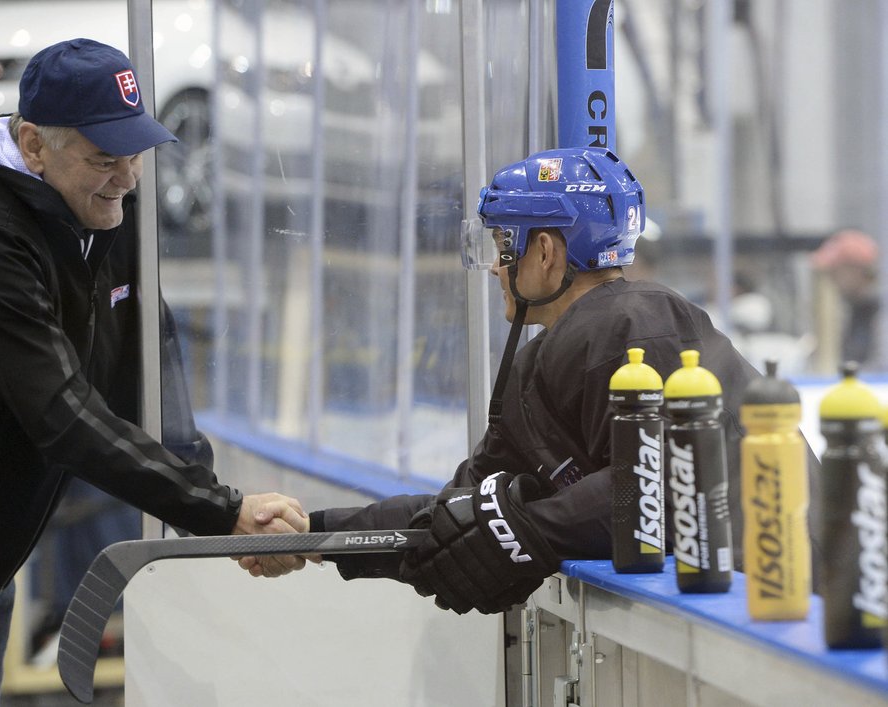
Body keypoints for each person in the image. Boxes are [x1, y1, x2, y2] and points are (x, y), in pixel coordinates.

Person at [0, 38, 306, 706]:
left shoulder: (107, 211)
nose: (128, 176)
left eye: (136, 151)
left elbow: (147, 361)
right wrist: (223, 513)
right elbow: (62, 414)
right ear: (33, 146)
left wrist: (213, 512)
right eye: (103, 158)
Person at [239, 147, 821, 616]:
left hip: (786, 612)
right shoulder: (551, 353)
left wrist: (525, 529)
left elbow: (658, 484)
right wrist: (316, 534)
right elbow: (457, 512)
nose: (495, 267)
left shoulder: (639, 324)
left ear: (545, 252)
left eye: (501, 246)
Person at [810, 228, 880, 367]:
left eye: (833, 271)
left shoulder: (879, 317)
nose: (830, 279)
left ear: (854, 270)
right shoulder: (848, 309)